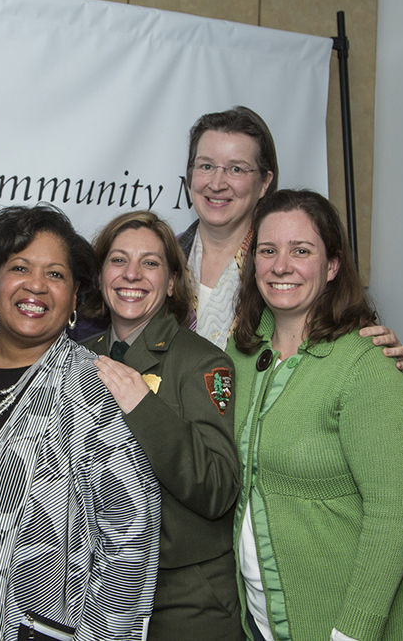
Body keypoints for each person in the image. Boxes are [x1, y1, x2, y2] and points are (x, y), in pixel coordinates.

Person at [0, 106, 403, 370]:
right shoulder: (162, 259)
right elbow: (77, 312)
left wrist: (370, 348)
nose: (217, 182)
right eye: (205, 166)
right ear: (188, 178)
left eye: (236, 169)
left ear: (265, 182)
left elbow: (336, 332)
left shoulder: (281, 271)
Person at [0, 204, 160, 641]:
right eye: (20, 267)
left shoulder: (94, 387)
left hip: (38, 628)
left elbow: (131, 531)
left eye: (56, 274)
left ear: (75, 295)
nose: (36, 286)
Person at [228, 190, 403, 641]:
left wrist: (351, 633)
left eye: (302, 251)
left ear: (333, 266)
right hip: (262, 618)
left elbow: (394, 517)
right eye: (268, 250)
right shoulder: (241, 354)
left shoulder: (366, 366)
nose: (282, 265)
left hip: (343, 626)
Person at [86, 211, 243, 640]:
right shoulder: (80, 356)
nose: (132, 274)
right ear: (100, 275)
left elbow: (218, 489)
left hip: (182, 598)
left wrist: (143, 406)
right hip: (96, 592)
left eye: (150, 263)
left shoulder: (202, 362)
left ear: (172, 282)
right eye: (118, 260)